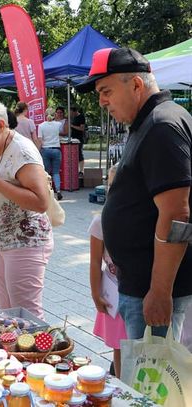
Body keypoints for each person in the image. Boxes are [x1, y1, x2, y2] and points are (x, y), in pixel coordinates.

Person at [76, 47, 192, 340]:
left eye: (106, 91)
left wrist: (160, 291)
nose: (102, 101)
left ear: (136, 84)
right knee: (138, 378)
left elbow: (178, 215)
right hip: (140, 285)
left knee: (151, 382)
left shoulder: (161, 125)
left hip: (152, 290)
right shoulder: (148, 122)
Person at [0, 96, 53, 318]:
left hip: (24, 241)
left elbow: (40, 201)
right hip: (1, 241)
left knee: (26, 315)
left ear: (0, 125)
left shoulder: (22, 151)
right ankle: (14, 353)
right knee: (7, 313)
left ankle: (36, 353)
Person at [89, 165, 126, 378]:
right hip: (113, 295)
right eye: (112, 186)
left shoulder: (145, 220)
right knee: (119, 347)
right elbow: (95, 262)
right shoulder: (100, 221)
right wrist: (96, 294)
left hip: (138, 293)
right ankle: (122, 386)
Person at [38, 107, 63, 200]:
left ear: (45, 115)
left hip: (45, 149)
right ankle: (58, 191)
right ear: (54, 115)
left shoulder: (41, 126)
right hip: (56, 149)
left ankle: (47, 191)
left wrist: (38, 151)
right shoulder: (58, 124)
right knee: (56, 172)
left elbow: (40, 140)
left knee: (46, 172)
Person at [70, 106, 86, 174]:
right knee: (72, 154)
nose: (70, 114)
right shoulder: (72, 118)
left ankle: (81, 170)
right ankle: (74, 169)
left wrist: (72, 126)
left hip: (79, 138)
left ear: (75, 111)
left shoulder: (81, 117)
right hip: (72, 138)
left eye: (71, 112)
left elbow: (82, 128)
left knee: (79, 154)